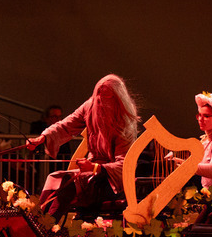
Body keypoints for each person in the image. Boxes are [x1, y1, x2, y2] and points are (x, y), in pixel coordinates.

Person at [26, 74, 138, 218]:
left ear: (117, 101)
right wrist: (42, 138)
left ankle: (44, 225)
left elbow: (125, 166)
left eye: (106, 100)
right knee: (55, 177)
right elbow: (66, 125)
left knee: (70, 182)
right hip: (93, 174)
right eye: (98, 98)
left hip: (112, 182)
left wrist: (95, 168)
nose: (101, 103)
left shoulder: (125, 124)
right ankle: (38, 219)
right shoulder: (90, 106)